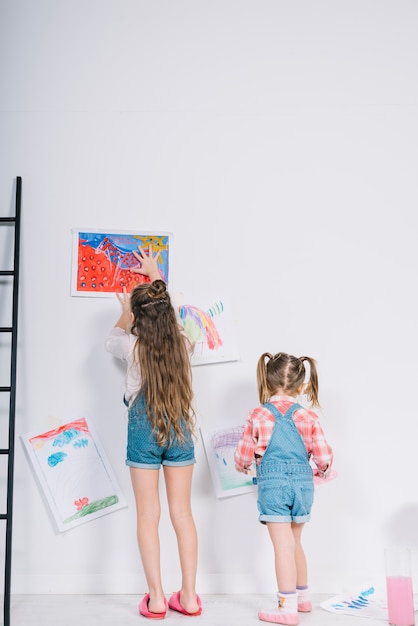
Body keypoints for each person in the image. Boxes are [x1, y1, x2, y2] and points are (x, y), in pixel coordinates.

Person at [105, 245, 202, 619]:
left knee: (148, 515)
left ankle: (158, 598)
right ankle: (190, 598)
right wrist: (156, 276)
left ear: (138, 320)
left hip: (143, 433)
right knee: (183, 514)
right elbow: (171, 319)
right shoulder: (183, 345)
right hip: (178, 430)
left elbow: (109, 340)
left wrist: (125, 313)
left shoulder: (131, 347)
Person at [234, 352, 333, 625]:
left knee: (282, 547)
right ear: (301, 387)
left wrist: (243, 466)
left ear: (267, 383)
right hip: (303, 486)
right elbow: (323, 457)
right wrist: (323, 470)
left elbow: (243, 455)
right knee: (295, 542)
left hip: (274, 486)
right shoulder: (307, 417)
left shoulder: (258, 415)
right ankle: (303, 599)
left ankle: (286, 608)